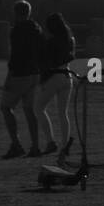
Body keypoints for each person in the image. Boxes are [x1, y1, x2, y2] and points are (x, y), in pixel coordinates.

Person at [1, 0, 44, 159]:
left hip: (19, 74)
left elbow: (16, 55)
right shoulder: (36, 28)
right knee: (29, 109)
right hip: (34, 73)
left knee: (6, 107)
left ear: (16, 13)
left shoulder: (17, 30)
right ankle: (35, 146)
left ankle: (16, 144)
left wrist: (10, 75)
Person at [35, 13, 76, 166]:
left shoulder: (51, 42)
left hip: (54, 76)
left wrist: (43, 80)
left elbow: (46, 62)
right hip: (67, 75)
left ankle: (50, 141)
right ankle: (64, 146)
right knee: (63, 113)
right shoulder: (69, 39)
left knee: (38, 107)